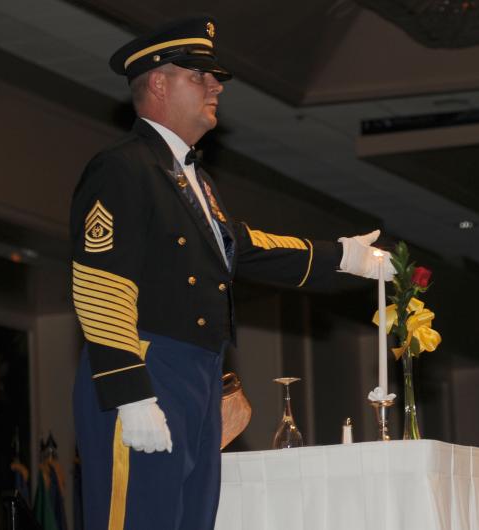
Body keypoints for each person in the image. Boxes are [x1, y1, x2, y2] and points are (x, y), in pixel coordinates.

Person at [70, 15, 394, 530]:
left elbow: (240, 245)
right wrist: (128, 391)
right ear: (158, 83)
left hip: (195, 375)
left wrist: (342, 257)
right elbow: (99, 283)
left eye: (213, 76)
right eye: (199, 75)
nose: (215, 84)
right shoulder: (124, 168)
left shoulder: (191, 179)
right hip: (149, 370)